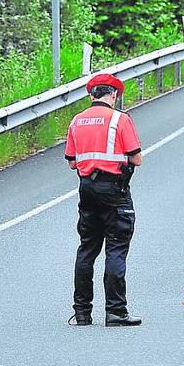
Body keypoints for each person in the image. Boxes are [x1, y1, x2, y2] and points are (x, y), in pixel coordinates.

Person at [64, 73, 143, 327]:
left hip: (87, 189)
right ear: (114, 95)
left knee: (87, 248)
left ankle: (83, 313)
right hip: (114, 190)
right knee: (116, 248)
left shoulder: (77, 121)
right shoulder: (120, 119)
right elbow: (136, 158)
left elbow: (72, 161)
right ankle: (116, 312)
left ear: (91, 95)